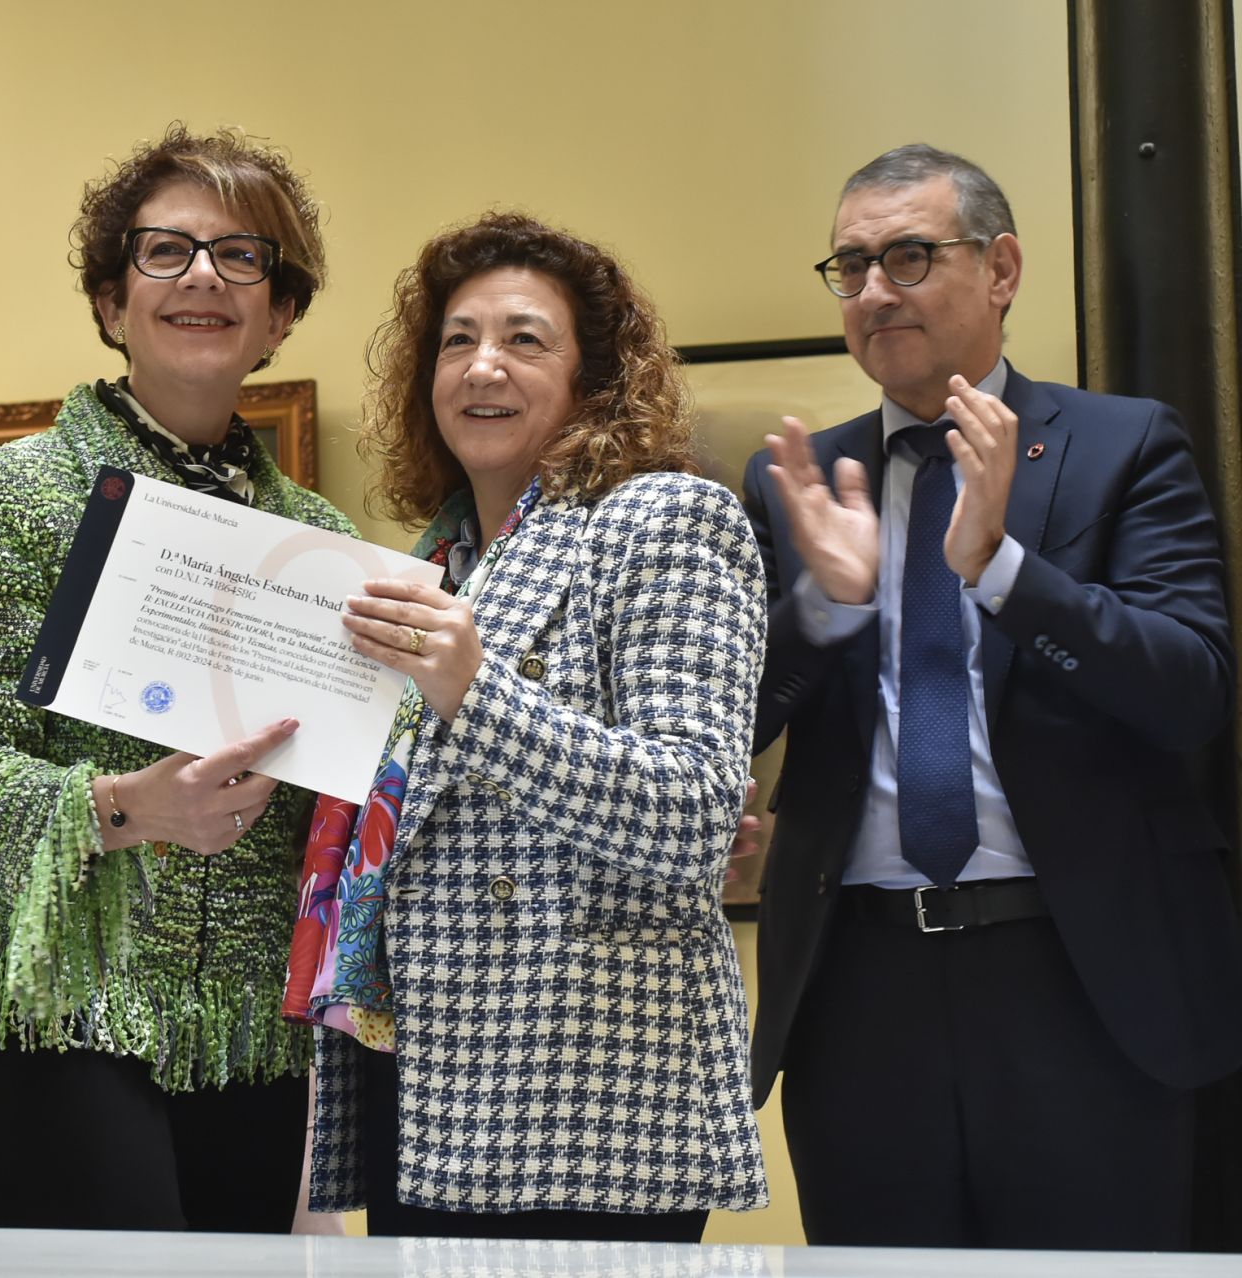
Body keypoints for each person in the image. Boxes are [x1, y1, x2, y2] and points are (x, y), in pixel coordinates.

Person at [744, 144, 1242, 1250]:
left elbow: (1191, 692)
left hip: (1079, 976)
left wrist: (1005, 572)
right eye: (853, 266)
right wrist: (825, 606)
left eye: (911, 257)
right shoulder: (801, 486)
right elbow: (742, 720)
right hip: (858, 987)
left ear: (1002, 267)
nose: (875, 291)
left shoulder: (1125, 446)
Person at [0, 124, 352, 1232]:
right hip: (46, 1012)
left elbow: (337, 810)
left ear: (281, 313)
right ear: (112, 304)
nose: (203, 274)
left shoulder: (323, 544)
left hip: (247, 1038)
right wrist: (121, 809)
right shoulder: (13, 492)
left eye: (242, 256)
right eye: (166, 251)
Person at [298, 212, 768, 1240]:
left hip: (577, 1088)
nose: (482, 366)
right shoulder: (432, 561)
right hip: (412, 1064)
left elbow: (692, 817)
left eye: (524, 339)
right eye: (457, 340)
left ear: (593, 380)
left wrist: (478, 692)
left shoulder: (668, 518)